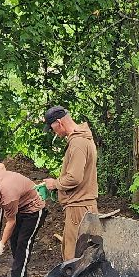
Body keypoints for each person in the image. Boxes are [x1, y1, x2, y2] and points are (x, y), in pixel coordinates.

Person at [40, 106, 97, 260]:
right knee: (84, 256)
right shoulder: (83, 139)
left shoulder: (77, 143)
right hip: (83, 206)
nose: (53, 132)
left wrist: (55, 184)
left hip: (79, 208)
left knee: (74, 259)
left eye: (52, 128)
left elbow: (74, 178)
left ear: (59, 123)